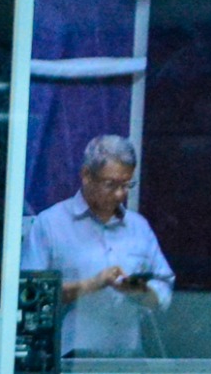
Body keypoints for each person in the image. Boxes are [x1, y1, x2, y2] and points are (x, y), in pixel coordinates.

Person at [18, 135, 174, 361]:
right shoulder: (50, 224)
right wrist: (91, 285)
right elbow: (26, 295)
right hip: (70, 360)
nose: (120, 194)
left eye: (126, 185)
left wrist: (139, 291)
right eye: (111, 185)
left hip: (129, 358)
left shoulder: (139, 228)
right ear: (86, 175)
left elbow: (164, 287)